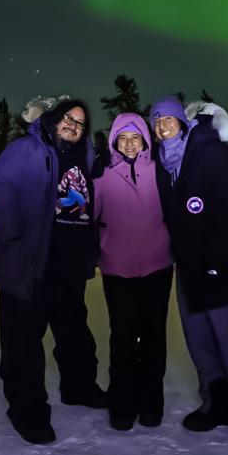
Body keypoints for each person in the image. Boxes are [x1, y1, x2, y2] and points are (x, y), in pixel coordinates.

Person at [0, 96, 106, 445]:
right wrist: (12, 227)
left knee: (73, 330)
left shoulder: (83, 156)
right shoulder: (27, 149)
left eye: (81, 123)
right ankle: (27, 410)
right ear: (53, 119)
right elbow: (0, 184)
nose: (74, 125)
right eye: (68, 118)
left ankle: (79, 386)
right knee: (23, 338)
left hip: (67, 261)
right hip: (27, 263)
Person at [150, 96, 228, 445]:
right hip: (187, 266)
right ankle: (216, 403)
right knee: (199, 340)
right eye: (156, 122)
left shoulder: (208, 152)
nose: (161, 127)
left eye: (167, 119)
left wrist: (221, 258)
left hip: (218, 264)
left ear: (182, 122)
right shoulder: (164, 163)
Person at [93, 112, 174, 431]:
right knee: (123, 337)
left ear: (144, 141)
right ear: (115, 141)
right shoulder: (102, 175)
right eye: (123, 138)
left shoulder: (160, 171)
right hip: (117, 269)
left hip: (157, 265)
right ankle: (122, 404)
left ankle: (151, 403)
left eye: (135, 137)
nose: (129, 144)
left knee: (154, 337)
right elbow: (89, 215)